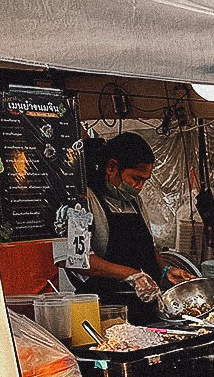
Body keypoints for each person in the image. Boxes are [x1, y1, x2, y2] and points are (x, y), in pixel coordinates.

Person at [70, 132, 194, 321]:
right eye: (136, 178)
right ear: (112, 167)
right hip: (105, 309)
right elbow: (80, 260)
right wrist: (133, 276)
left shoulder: (134, 201)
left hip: (146, 308)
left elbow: (147, 249)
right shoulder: (82, 201)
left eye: (145, 180)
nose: (139, 187)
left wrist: (165, 270)